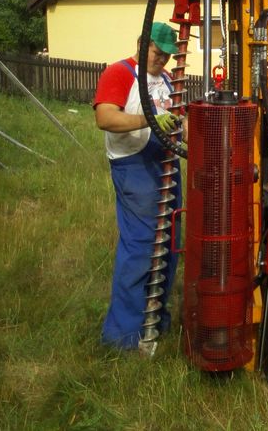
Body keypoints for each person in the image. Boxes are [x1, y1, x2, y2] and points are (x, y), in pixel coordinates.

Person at [94, 22, 183, 350]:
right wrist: (149, 118)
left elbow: (174, 117)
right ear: (142, 44)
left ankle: (156, 320)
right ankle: (123, 336)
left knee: (170, 245)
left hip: (167, 167)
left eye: (167, 55)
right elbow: (105, 118)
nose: (163, 60)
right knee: (142, 247)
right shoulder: (119, 74)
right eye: (158, 53)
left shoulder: (168, 79)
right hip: (134, 167)